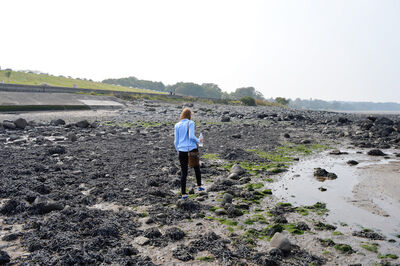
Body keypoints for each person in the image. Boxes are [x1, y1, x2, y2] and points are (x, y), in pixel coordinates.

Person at [174, 108, 204, 200]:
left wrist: (179, 151)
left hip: (182, 150)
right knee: (196, 167)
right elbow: (191, 136)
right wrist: (199, 140)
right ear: (189, 115)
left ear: (182, 115)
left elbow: (175, 141)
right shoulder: (191, 123)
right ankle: (199, 186)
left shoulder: (177, 125)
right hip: (192, 149)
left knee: (184, 172)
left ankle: (183, 194)